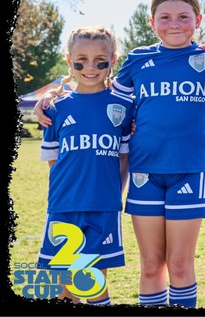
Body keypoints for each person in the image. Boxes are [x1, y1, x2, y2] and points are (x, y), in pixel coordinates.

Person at [37, 0, 205, 307]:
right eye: (165, 17)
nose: (174, 23)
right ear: (152, 22)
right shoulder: (138, 59)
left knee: (180, 264)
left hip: (189, 170)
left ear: (198, 20)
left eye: (183, 17)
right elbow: (102, 95)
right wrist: (53, 93)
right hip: (143, 173)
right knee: (151, 265)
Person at [37, 26, 131, 306]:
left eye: (100, 61)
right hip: (64, 207)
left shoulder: (124, 107)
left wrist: (113, 193)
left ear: (112, 61)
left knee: (93, 283)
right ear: (69, 61)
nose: (90, 67)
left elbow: (124, 159)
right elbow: (55, 162)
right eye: (81, 60)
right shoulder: (55, 108)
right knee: (64, 288)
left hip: (103, 207)